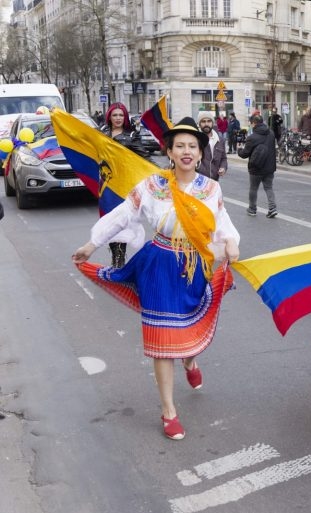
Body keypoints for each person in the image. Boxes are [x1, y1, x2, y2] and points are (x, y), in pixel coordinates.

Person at [71, 117, 240, 440]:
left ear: (201, 153)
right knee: (163, 342)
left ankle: (190, 363)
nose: (187, 152)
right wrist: (92, 244)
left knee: (187, 328)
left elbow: (222, 223)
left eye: (193, 146)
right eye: (180, 146)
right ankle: (168, 411)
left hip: (194, 267)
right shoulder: (152, 186)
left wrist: (231, 242)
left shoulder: (210, 189)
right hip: (159, 266)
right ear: (170, 151)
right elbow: (122, 215)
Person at [100, 102, 150, 268]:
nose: (118, 118)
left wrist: (160, 171)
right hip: (106, 185)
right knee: (109, 222)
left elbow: (143, 156)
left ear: (125, 117)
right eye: (115, 115)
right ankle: (115, 257)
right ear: (109, 117)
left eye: (121, 115)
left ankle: (119, 262)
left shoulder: (131, 135)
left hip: (124, 186)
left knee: (122, 221)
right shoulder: (102, 132)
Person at [238, 114, 277, 219]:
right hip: (269, 167)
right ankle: (272, 208)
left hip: (256, 168)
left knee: (254, 188)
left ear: (254, 123)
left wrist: (239, 149)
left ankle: (252, 209)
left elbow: (244, 154)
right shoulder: (271, 133)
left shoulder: (252, 137)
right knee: (269, 187)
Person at [196, 111, 228, 181]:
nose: (206, 124)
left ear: (212, 123)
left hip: (214, 181)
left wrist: (223, 167)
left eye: (209, 121)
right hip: (198, 181)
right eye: (203, 121)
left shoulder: (220, 140)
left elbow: (223, 158)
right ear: (199, 124)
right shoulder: (195, 140)